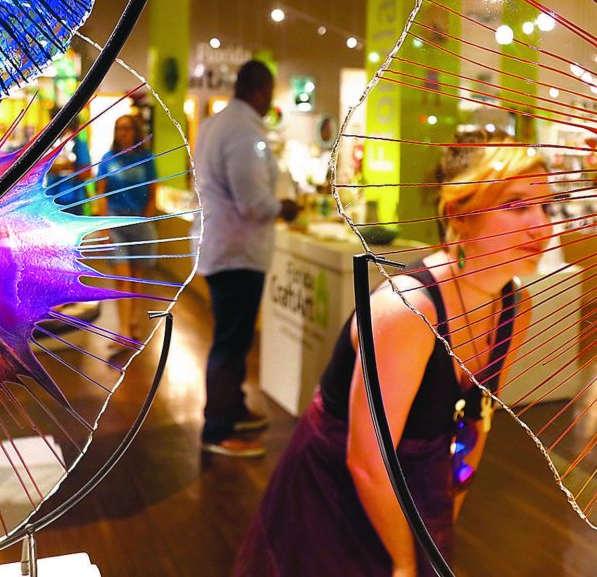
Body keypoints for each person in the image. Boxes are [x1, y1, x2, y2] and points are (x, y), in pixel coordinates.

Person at [233, 143, 550, 575]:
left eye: (547, 206)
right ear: (460, 213)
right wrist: (406, 562)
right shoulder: (406, 310)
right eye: (517, 205)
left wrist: (446, 514)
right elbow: (366, 461)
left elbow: (477, 421)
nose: (542, 226)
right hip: (336, 495)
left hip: (421, 484)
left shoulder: (515, 307)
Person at [194, 60, 298, 458]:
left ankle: (232, 407)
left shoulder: (218, 124)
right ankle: (217, 429)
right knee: (230, 343)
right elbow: (253, 201)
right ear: (260, 89)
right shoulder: (241, 131)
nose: (271, 98)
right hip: (237, 253)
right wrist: (283, 207)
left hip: (226, 248)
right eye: (270, 90)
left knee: (231, 339)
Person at [97, 114, 157, 345]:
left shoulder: (147, 158)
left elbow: (153, 192)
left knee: (136, 277)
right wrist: (103, 226)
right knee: (121, 277)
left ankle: (132, 321)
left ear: (135, 131)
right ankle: (122, 330)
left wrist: (147, 218)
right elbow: (101, 193)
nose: (122, 132)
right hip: (115, 222)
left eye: (127, 128)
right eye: (119, 128)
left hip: (139, 222)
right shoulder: (107, 159)